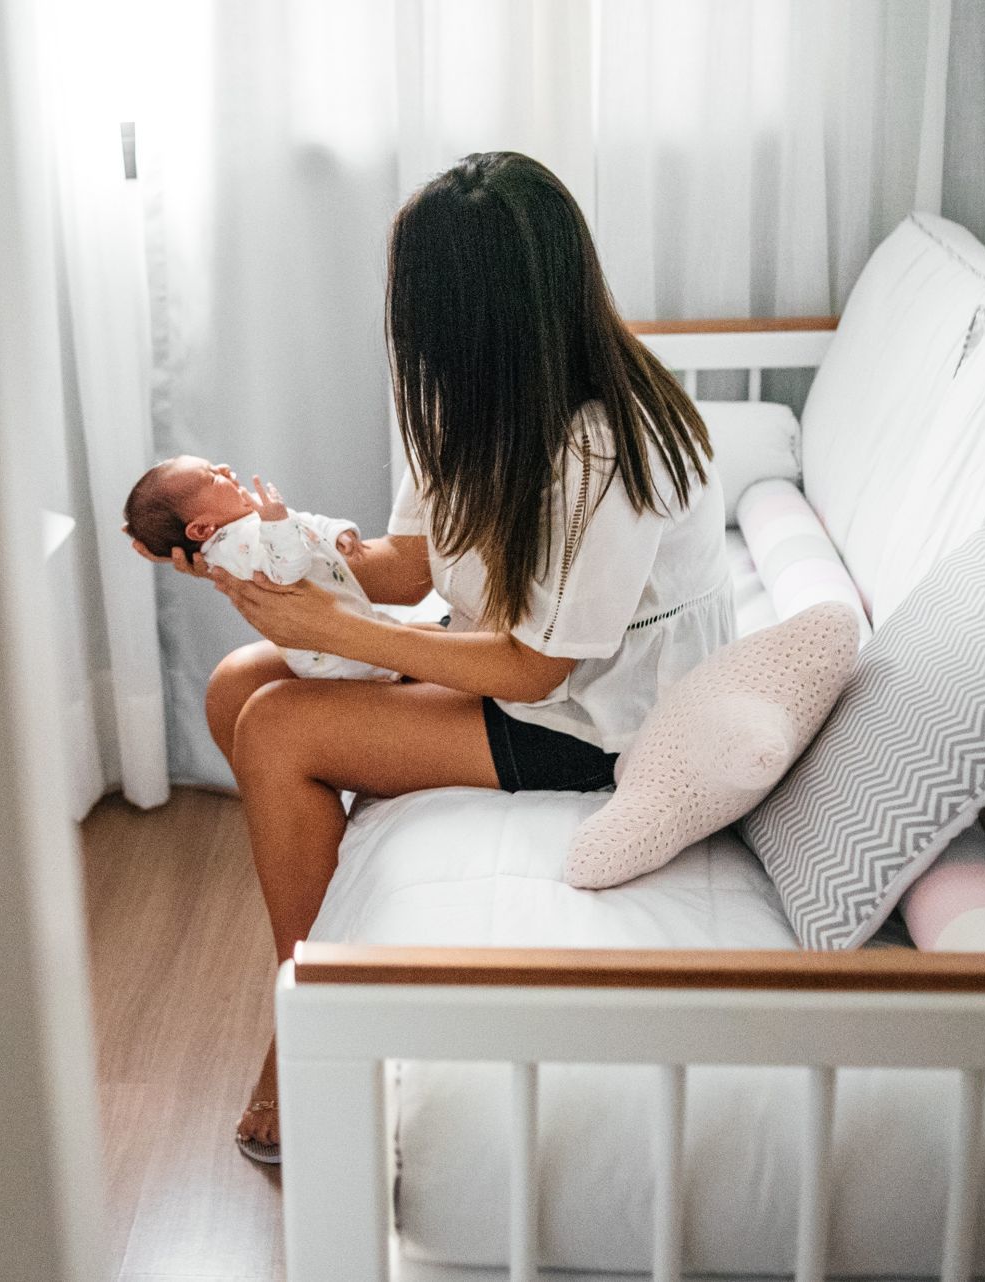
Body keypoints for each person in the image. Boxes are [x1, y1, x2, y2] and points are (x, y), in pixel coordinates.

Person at [129, 151, 732, 1164]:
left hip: (592, 716)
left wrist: (336, 632)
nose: (403, 333)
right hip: (502, 657)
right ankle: (324, 977)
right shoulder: (463, 394)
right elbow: (411, 566)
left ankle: (312, 1025)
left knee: (279, 727)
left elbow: (542, 669)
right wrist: (272, 561)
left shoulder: (608, 450)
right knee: (238, 685)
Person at [123, 456, 398, 681]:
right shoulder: (233, 546)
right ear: (202, 528)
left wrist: (336, 532)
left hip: (356, 627)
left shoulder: (249, 525)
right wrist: (276, 523)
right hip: (339, 660)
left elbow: (303, 523)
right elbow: (288, 569)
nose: (224, 468)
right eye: (212, 477)